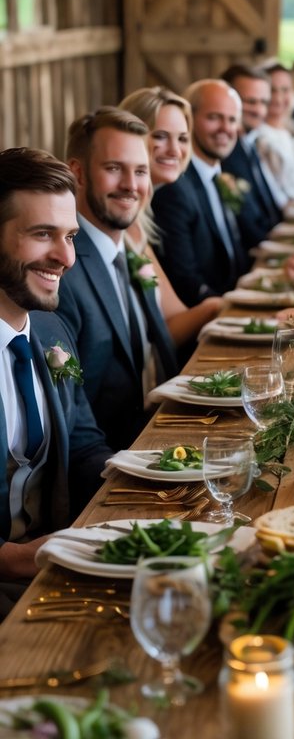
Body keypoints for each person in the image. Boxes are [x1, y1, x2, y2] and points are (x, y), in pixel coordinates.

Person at [0, 148, 110, 612]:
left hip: (48, 573)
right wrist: (16, 559)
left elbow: (83, 444)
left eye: (70, 236)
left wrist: (144, 480)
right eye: (42, 234)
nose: (66, 257)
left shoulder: (50, 330)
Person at [57, 108, 178, 451]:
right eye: (114, 169)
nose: (131, 185)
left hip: (159, 436)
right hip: (108, 462)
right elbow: (71, 418)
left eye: (140, 171)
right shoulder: (63, 269)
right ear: (77, 174)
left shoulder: (129, 250)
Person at [118, 86, 225, 353]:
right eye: (160, 136)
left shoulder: (140, 221)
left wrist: (234, 309)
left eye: (183, 138)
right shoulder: (119, 221)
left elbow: (173, 319)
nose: (175, 150)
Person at [152, 80, 250, 307]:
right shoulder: (175, 189)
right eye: (214, 117)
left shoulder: (217, 175)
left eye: (232, 119)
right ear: (190, 120)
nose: (226, 128)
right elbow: (185, 281)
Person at [220, 63, 283, 248]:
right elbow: (247, 228)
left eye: (263, 102)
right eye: (250, 101)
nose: (258, 110)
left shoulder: (249, 143)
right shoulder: (225, 154)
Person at [258, 60, 294, 200]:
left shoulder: (291, 129)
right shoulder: (260, 138)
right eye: (272, 90)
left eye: (285, 90)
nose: (278, 98)